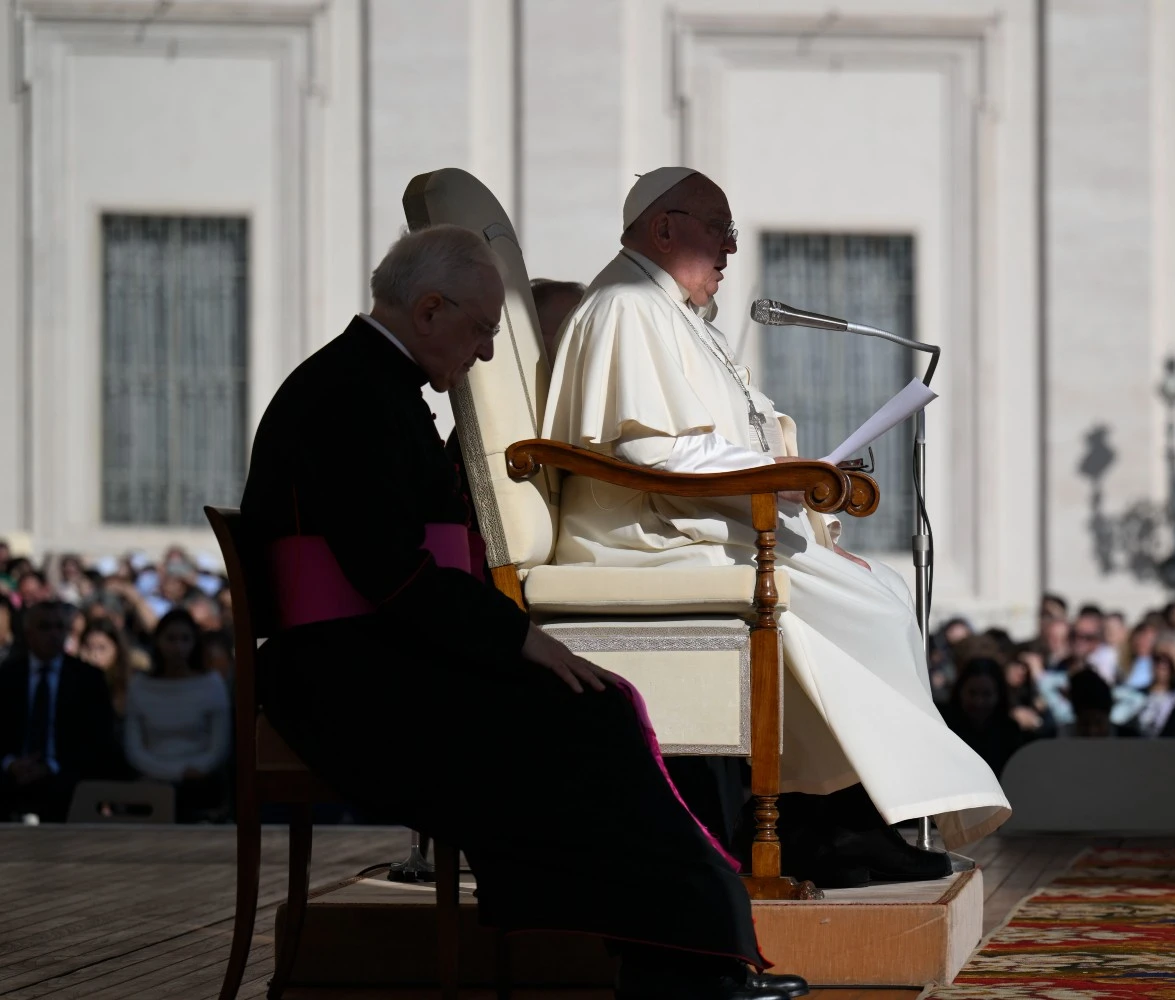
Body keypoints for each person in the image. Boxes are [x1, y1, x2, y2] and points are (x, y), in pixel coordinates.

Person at [240, 224, 798, 1000]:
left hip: (379, 654)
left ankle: (680, 957)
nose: (488, 353)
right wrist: (520, 642)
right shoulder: (349, 397)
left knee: (592, 709)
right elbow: (391, 572)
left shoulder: (373, 384)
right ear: (429, 309)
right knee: (586, 719)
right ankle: (683, 964)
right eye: (482, 330)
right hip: (348, 681)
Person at [541, 167, 1009, 879]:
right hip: (644, 537)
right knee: (871, 610)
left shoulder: (671, 312)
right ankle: (836, 825)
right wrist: (780, 480)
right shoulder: (629, 304)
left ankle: (850, 818)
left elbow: (715, 438)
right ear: (663, 228)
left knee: (879, 593)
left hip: (697, 521)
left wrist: (791, 479)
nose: (730, 249)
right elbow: (648, 451)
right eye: (717, 230)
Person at [0, 602, 117, 821]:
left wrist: (51, 766)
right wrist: (10, 763)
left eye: (60, 627)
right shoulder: (7, 676)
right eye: (45, 627)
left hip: (67, 779)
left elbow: (100, 741)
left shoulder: (88, 678)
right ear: (28, 633)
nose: (53, 634)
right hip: (11, 779)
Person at [123, 609, 232, 821]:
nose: (178, 647)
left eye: (185, 639)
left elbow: (219, 745)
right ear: (157, 641)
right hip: (150, 779)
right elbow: (134, 748)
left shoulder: (211, 684)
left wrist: (197, 769)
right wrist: (171, 773)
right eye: (171, 639)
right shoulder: (139, 685)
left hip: (201, 781)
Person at [939, 659, 1028, 776]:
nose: (979, 702)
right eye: (972, 693)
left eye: (987, 694)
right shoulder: (943, 726)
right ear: (960, 692)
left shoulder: (1009, 732)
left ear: (998, 695)